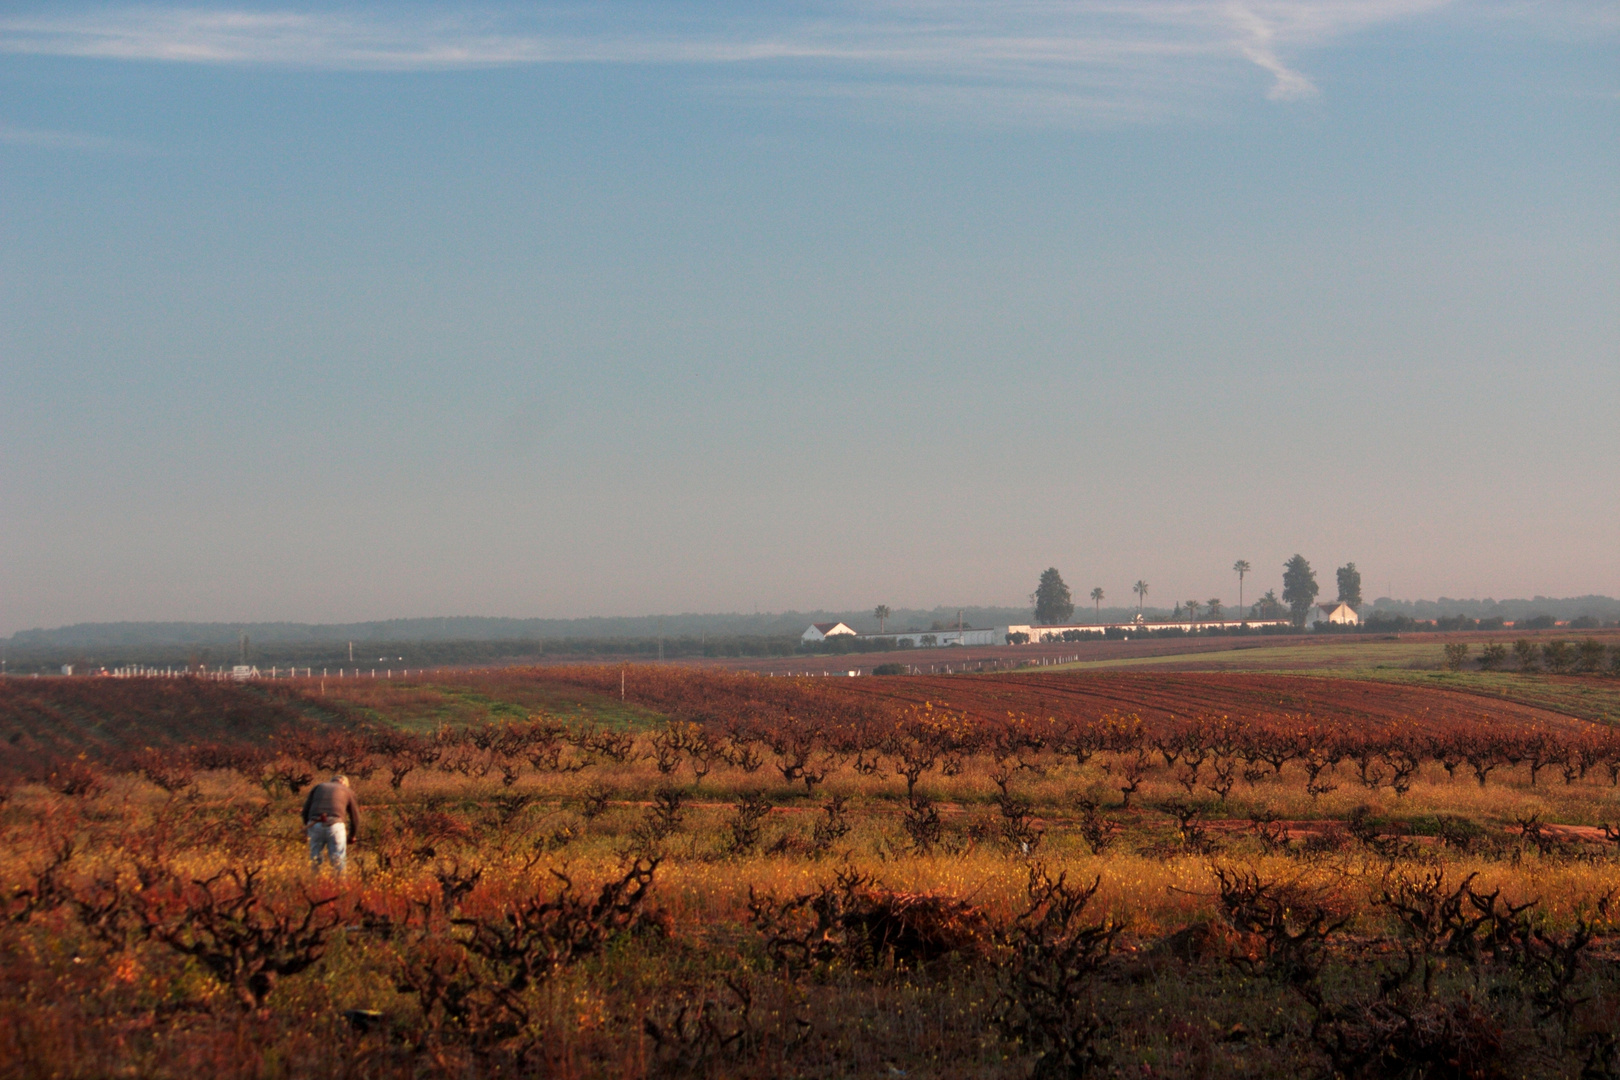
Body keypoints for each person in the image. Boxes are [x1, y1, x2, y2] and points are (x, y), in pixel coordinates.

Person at [302, 773, 361, 872]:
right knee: (338, 860)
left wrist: (308, 829)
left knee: (315, 858)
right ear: (345, 784)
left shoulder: (318, 787)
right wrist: (352, 836)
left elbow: (305, 812)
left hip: (315, 824)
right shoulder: (347, 791)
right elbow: (355, 817)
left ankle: (313, 883)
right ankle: (340, 885)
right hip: (335, 826)